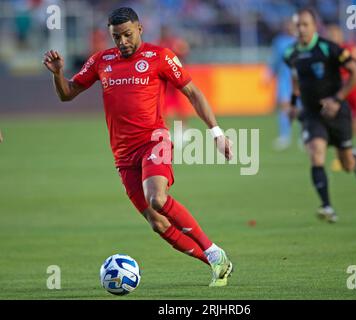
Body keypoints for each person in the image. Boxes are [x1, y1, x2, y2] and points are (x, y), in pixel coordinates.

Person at [43, 7, 233, 287]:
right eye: (116, 37)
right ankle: (217, 263)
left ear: (140, 29)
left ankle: (214, 250)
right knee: (159, 224)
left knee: (157, 198)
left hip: (154, 140)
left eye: (127, 35)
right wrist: (58, 74)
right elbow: (67, 94)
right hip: (122, 155)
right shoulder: (101, 60)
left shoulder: (160, 57)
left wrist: (216, 133)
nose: (122, 42)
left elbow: (192, 92)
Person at [284, 8, 356, 223]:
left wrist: (337, 100)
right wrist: (293, 105)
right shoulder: (291, 54)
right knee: (316, 153)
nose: (301, 29)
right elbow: (295, 81)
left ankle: (355, 158)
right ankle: (327, 206)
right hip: (312, 114)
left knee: (346, 165)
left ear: (314, 26)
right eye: (298, 25)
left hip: (337, 113)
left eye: (305, 25)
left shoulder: (329, 48)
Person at [266, 19, 297, 150]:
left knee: (300, 108)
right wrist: (268, 74)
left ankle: (304, 135)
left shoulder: (300, 41)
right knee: (284, 107)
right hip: (285, 79)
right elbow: (275, 60)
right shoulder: (279, 42)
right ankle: (285, 136)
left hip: (300, 80)